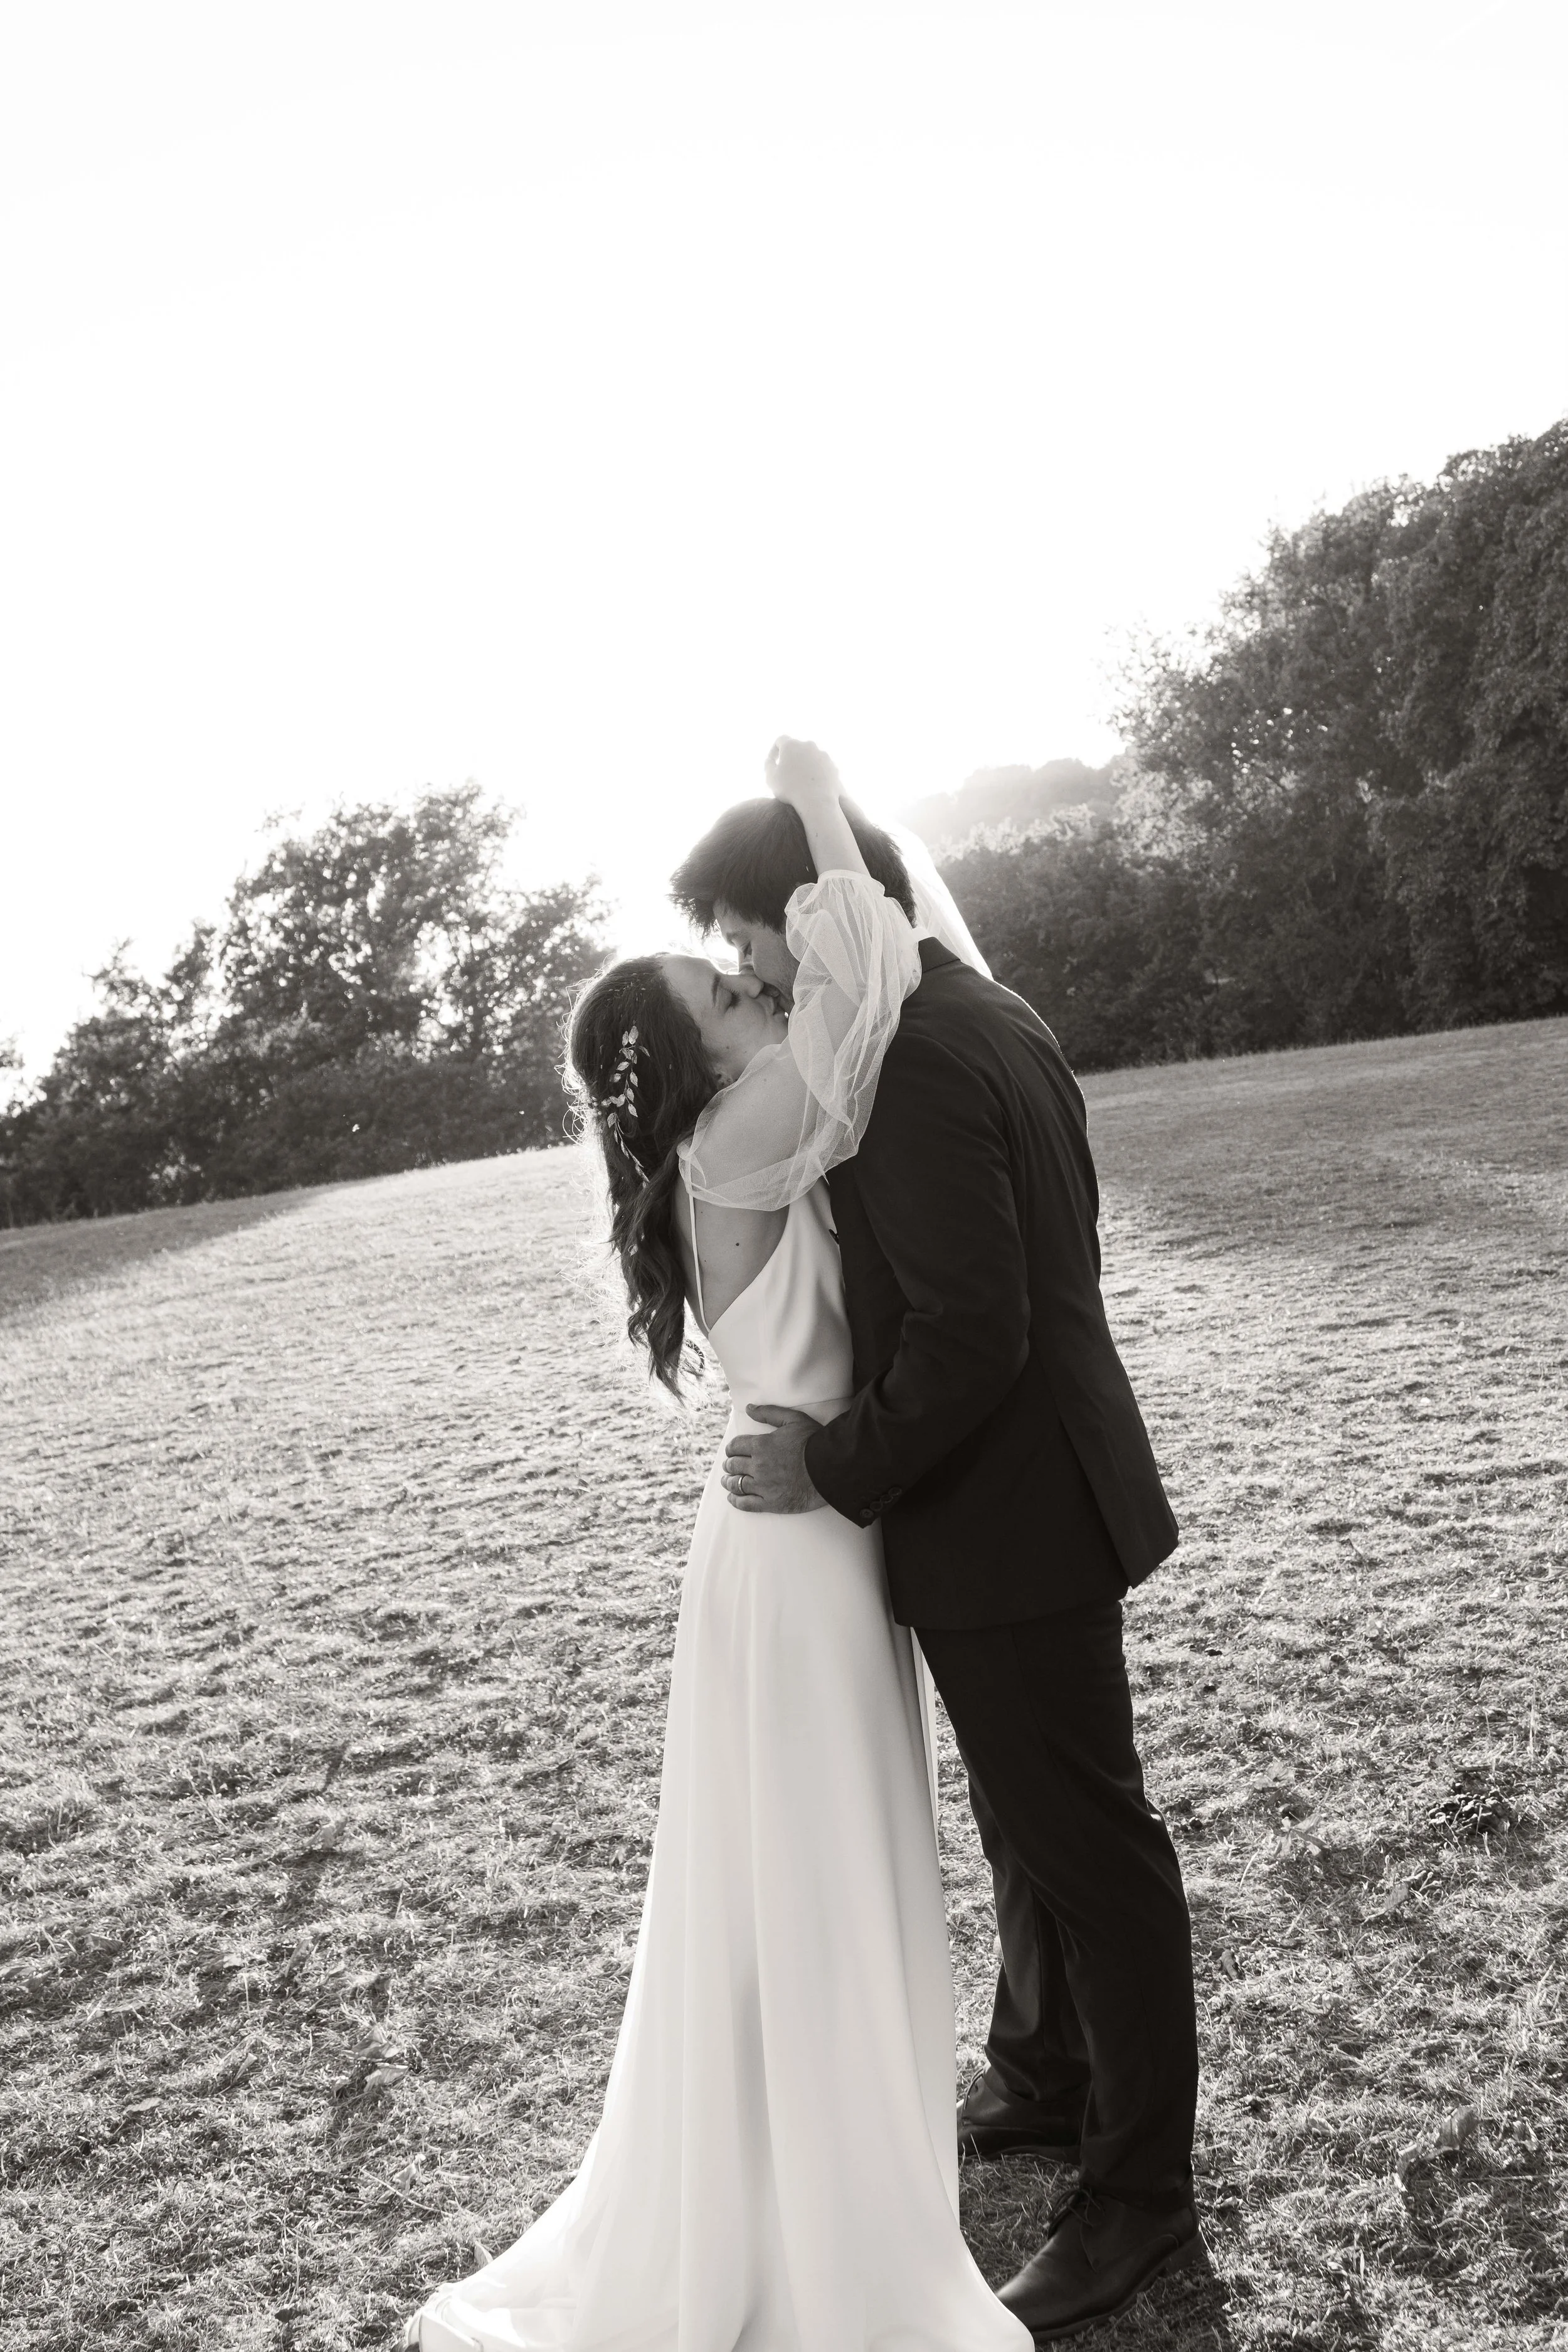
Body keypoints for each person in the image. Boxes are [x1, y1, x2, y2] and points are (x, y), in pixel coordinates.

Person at [403, 743, 1030, 2352]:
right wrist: (816, 800)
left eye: (737, 973)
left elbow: (847, 985)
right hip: (799, 1542)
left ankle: (806, 2167)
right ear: (691, 1057)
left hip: (794, 1528)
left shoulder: (733, 1134)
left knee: (799, 1864)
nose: (752, 983)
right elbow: (873, 966)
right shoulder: (745, 1134)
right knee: (821, 1864)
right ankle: (828, 2214)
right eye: (724, 990)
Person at [674, 760, 1202, 2342]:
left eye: (739, 937)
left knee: (1089, 1852)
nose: (747, 969)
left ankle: (1137, 2201)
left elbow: (971, 1332)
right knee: (1030, 1829)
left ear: (806, 909)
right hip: (1043, 1490)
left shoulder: (902, 1061)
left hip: (1004, 1513)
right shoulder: (995, 1011)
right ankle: (1040, 2076)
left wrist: (828, 1465)